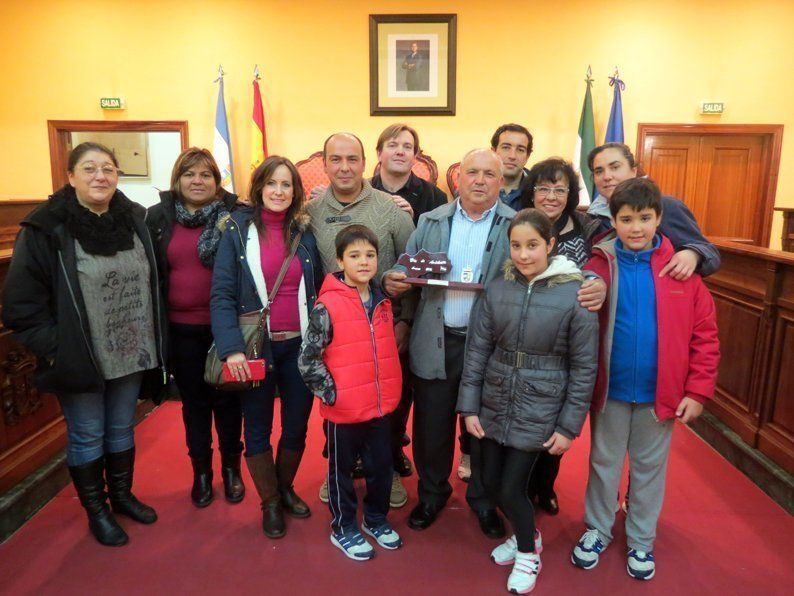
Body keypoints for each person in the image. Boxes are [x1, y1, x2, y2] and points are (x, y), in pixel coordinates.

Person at [2, 142, 167, 546]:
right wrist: (58, 348)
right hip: (81, 356)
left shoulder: (134, 220)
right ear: (70, 176)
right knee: (88, 434)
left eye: (109, 168)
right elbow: (21, 304)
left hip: (132, 350)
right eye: (89, 168)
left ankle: (123, 496)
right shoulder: (46, 229)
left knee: (120, 428)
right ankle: (97, 509)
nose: (100, 176)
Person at [571, 177, 720, 581]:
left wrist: (697, 391)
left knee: (649, 468)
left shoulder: (682, 270)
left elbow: (705, 336)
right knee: (604, 462)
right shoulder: (597, 265)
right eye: (626, 219)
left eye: (645, 218)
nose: (636, 227)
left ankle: (640, 538)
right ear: (612, 221)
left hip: (661, 393)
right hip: (611, 390)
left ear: (658, 219)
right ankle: (597, 529)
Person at [458, 208, 598, 594]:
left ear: (551, 245)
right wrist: (469, 406)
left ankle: (526, 554)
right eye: (516, 246)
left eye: (532, 245)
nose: (523, 255)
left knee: (511, 488)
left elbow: (584, 367)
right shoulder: (499, 286)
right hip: (495, 397)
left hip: (541, 405)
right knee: (487, 480)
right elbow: (478, 349)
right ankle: (528, 536)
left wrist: (569, 426)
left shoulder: (577, 291)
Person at [383, 148, 513, 537]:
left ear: (500, 181)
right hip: (436, 340)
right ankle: (432, 494)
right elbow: (406, 266)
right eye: (471, 172)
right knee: (432, 427)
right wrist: (393, 278)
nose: (479, 180)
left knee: (484, 429)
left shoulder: (516, 225)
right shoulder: (431, 220)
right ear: (458, 179)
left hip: (489, 347)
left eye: (488, 174)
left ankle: (484, 501)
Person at [210, 155, 323, 538]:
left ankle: (285, 487)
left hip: (300, 348)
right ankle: (269, 501)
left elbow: (320, 289)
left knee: (296, 426)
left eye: (286, 184)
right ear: (259, 188)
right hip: (255, 349)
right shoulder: (235, 230)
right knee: (256, 427)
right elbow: (222, 293)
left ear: (296, 191)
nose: (278, 191)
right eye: (271, 183)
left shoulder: (304, 232)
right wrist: (231, 349)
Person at [307, 132, 414, 508]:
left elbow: (412, 267)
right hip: (336, 330)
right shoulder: (314, 209)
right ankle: (338, 468)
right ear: (324, 164)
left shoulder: (390, 209)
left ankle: (384, 473)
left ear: (366, 162)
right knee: (338, 404)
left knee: (385, 408)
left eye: (352, 159)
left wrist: (406, 322)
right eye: (335, 159)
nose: (344, 167)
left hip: (384, 327)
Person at [146, 147, 245, 508]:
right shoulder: (157, 218)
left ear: (217, 182)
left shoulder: (236, 215)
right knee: (195, 405)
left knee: (229, 402)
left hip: (227, 331)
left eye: (205, 175)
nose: (197, 181)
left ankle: (231, 470)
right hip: (180, 329)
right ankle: (201, 472)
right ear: (177, 180)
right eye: (190, 174)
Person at [298, 225, 403, 561]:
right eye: (354, 255)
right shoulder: (327, 305)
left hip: (380, 407)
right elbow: (308, 358)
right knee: (341, 473)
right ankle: (343, 526)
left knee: (381, 467)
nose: (363, 262)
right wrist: (331, 394)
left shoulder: (382, 301)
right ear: (340, 260)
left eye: (370, 255)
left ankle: (375, 518)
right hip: (343, 410)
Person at [517, 158, 601, 515]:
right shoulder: (516, 222)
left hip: (566, 339)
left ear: (570, 194)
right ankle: (516, 487)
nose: (551, 196)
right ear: (531, 191)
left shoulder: (587, 226)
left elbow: (601, 263)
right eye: (543, 188)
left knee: (552, 418)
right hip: (521, 333)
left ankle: (545, 486)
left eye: (559, 189)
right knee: (521, 417)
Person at [370, 123, 448, 483]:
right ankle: (359, 449)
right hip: (368, 303)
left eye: (408, 146)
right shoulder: (363, 191)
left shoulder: (435, 199)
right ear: (380, 153)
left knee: (403, 387)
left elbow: (437, 259)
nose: (400, 151)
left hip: (413, 308)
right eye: (392, 145)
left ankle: (394, 446)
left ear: (416, 156)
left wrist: (411, 220)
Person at [587, 142, 721, 278]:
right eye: (599, 171)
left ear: (633, 171)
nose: (607, 176)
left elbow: (710, 253)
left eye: (615, 167)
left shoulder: (666, 205)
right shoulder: (594, 217)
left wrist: (693, 254)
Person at [491, 123, 534, 211]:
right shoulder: (477, 186)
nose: (512, 156)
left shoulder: (538, 190)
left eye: (520, 150)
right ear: (493, 152)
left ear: (527, 156)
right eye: (506, 148)